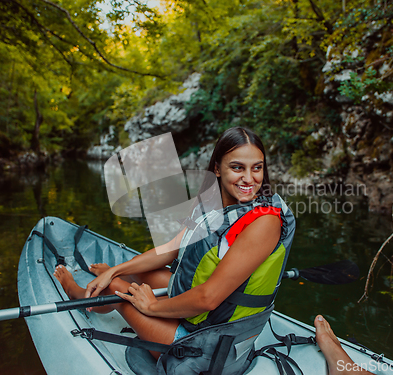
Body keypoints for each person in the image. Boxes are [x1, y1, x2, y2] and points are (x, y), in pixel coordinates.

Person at [54, 126, 373, 375]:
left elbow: (208, 298)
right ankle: (112, 279)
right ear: (217, 169)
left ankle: (77, 291)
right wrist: (117, 268)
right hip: (204, 321)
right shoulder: (211, 206)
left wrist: (150, 306)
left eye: (257, 168)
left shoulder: (264, 223)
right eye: (238, 167)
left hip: (208, 346)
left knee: (114, 290)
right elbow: (170, 249)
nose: (250, 179)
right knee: (135, 272)